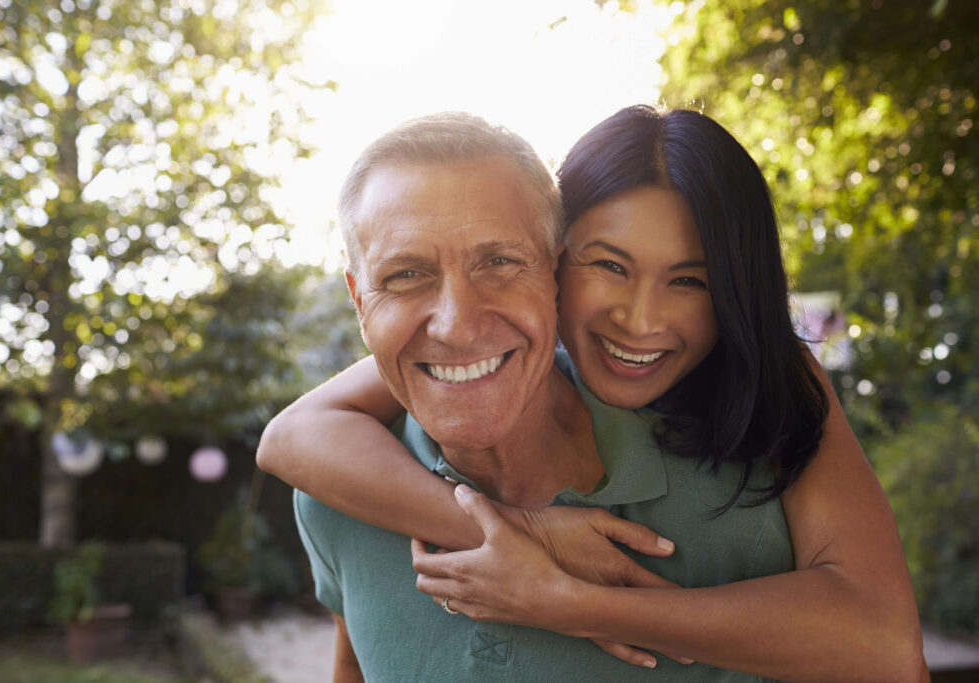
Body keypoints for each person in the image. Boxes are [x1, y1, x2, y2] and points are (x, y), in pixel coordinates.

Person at [261, 107, 926, 681]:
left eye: (499, 261)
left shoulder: (764, 415)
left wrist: (566, 599)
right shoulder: (345, 488)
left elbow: (887, 650)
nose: (640, 320)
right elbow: (294, 436)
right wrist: (521, 531)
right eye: (609, 264)